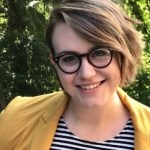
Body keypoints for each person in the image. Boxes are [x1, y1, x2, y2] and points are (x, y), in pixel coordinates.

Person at [0, 0, 150, 149]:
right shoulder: (15, 120)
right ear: (54, 62)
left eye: (99, 53)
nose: (86, 74)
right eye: (69, 58)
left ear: (125, 53)